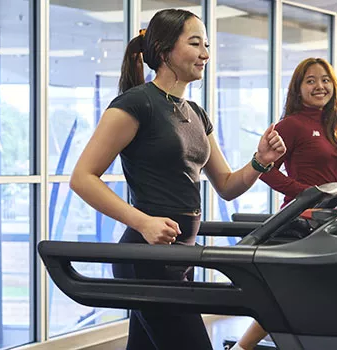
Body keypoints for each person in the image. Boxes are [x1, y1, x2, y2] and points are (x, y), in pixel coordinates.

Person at [69, 8, 286, 350]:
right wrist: (144, 223)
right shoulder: (136, 104)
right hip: (146, 259)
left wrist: (260, 161)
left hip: (179, 258)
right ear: (165, 49)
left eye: (207, 45)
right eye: (196, 44)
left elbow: (227, 185)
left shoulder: (195, 113)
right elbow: (82, 177)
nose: (206, 54)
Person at [230, 57, 337, 350]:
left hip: (326, 220)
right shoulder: (292, 125)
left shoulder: (330, 126)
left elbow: (335, 178)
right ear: (298, 89)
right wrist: (305, 195)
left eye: (324, 80)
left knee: (313, 294)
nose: (319, 86)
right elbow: (264, 171)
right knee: (288, 296)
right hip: (302, 220)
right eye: (310, 80)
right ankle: (242, 348)